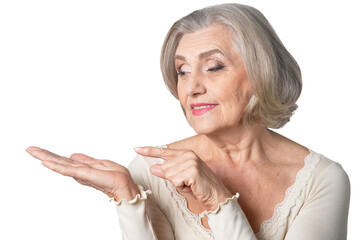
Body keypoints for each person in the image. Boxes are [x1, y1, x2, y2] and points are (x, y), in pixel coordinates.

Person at [26, 3, 350, 240]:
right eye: (182, 71)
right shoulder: (151, 171)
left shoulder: (322, 180)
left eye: (213, 66)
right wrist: (128, 198)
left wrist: (218, 201)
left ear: (260, 73)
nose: (192, 87)